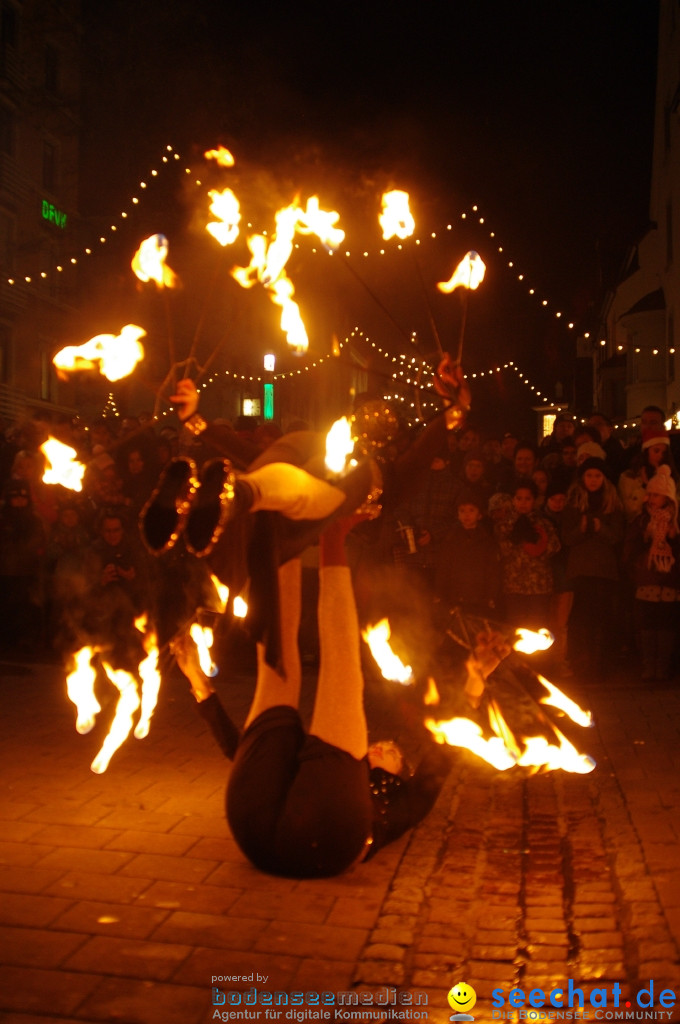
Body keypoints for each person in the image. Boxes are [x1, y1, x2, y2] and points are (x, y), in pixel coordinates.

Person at [173, 514, 509, 878]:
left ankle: (332, 535)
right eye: (388, 747)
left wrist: (199, 685)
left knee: (341, 663)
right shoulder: (329, 761)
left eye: (394, 754)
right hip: (254, 826)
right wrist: (199, 680)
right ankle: (283, 532)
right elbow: (244, 752)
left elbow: (443, 755)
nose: (382, 748)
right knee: (277, 669)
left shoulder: (405, 802)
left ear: (401, 774)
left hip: (322, 838)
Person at [562, 457, 625, 681]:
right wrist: (581, 529)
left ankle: (600, 668)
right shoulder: (573, 503)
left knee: (601, 620)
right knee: (580, 621)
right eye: (589, 475)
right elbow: (567, 538)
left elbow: (617, 536)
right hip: (580, 571)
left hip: (604, 571)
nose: (593, 480)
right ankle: (581, 667)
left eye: (597, 475)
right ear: (582, 478)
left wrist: (600, 529)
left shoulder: (613, 504)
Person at [623, 465, 680, 681]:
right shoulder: (642, 521)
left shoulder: (675, 523)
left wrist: (674, 539)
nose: (654, 498)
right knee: (646, 624)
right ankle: (648, 667)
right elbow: (630, 547)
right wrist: (643, 545)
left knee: (666, 625)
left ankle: (663, 667)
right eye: (652, 494)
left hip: (670, 581)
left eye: (659, 494)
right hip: (646, 579)